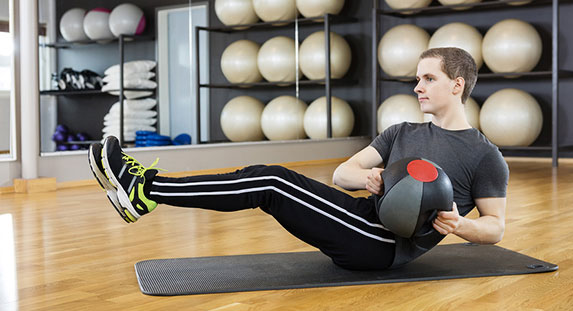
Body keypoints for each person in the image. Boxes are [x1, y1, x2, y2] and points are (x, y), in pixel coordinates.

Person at [88, 47, 509, 270]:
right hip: (362, 212)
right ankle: (143, 191)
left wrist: (462, 225)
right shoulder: (401, 131)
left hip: (383, 245)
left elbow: (495, 228)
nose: (417, 86)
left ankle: (145, 189)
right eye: (416, 78)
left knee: (271, 183)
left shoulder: (484, 155)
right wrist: (367, 178)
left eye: (428, 78)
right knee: (269, 178)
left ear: (457, 85)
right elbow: (342, 172)